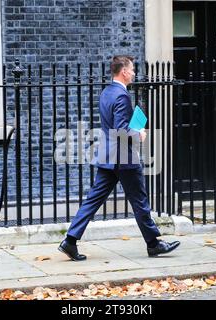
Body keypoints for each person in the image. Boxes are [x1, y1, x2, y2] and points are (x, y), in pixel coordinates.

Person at [58, 55, 180, 261]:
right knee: (140, 200)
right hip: (123, 157)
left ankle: (70, 240)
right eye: (131, 69)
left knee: (93, 200)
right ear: (123, 71)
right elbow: (121, 129)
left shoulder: (107, 92)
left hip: (108, 155)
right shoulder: (122, 96)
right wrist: (139, 134)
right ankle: (153, 244)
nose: (133, 73)